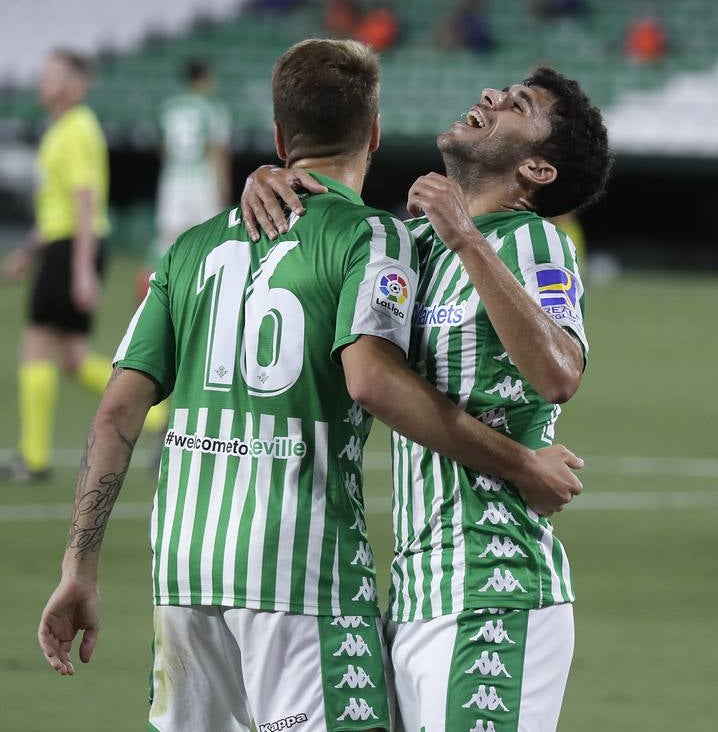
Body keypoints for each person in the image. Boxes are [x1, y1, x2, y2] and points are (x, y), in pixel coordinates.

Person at [37, 40, 584, 732]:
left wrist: (78, 563)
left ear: (276, 137)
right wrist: (522, 465)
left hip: (184, 572)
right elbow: (371, 380)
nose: (490, 99)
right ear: (376, 135)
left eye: (518, 102)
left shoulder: (191, 246)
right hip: (307, 576)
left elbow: (117, 408)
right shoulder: (382, 239)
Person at [241, 65, 612, 729]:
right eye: (502, 89)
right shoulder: (412, 247)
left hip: (494, 586)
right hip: (412, 594)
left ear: (538, 171)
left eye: (518, 104)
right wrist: (271, 182)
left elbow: (560, 372)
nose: (492, 96)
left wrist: (467, 237)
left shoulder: (533, 240)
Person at [2, 50, 117, 481]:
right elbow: (59, 204)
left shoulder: (78, 128)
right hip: (63, 245)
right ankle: (160, 418)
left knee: (35, 344)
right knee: (71, 358)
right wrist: (30, 250)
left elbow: (85, 199)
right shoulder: (61, 128)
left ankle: (33, 459)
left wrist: (82, 268)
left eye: (52, 75)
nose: (42, 81)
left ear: (74, 83)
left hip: (73, 248)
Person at [155, 59, 232, 257]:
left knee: (169, 239)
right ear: (203, 78)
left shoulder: (169, 107)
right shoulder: (212, 107)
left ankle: (165, 283)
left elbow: (163, 147)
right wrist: (224, 185)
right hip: (203, 178)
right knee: (209, 238)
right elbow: (217, 149)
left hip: (173, 178)